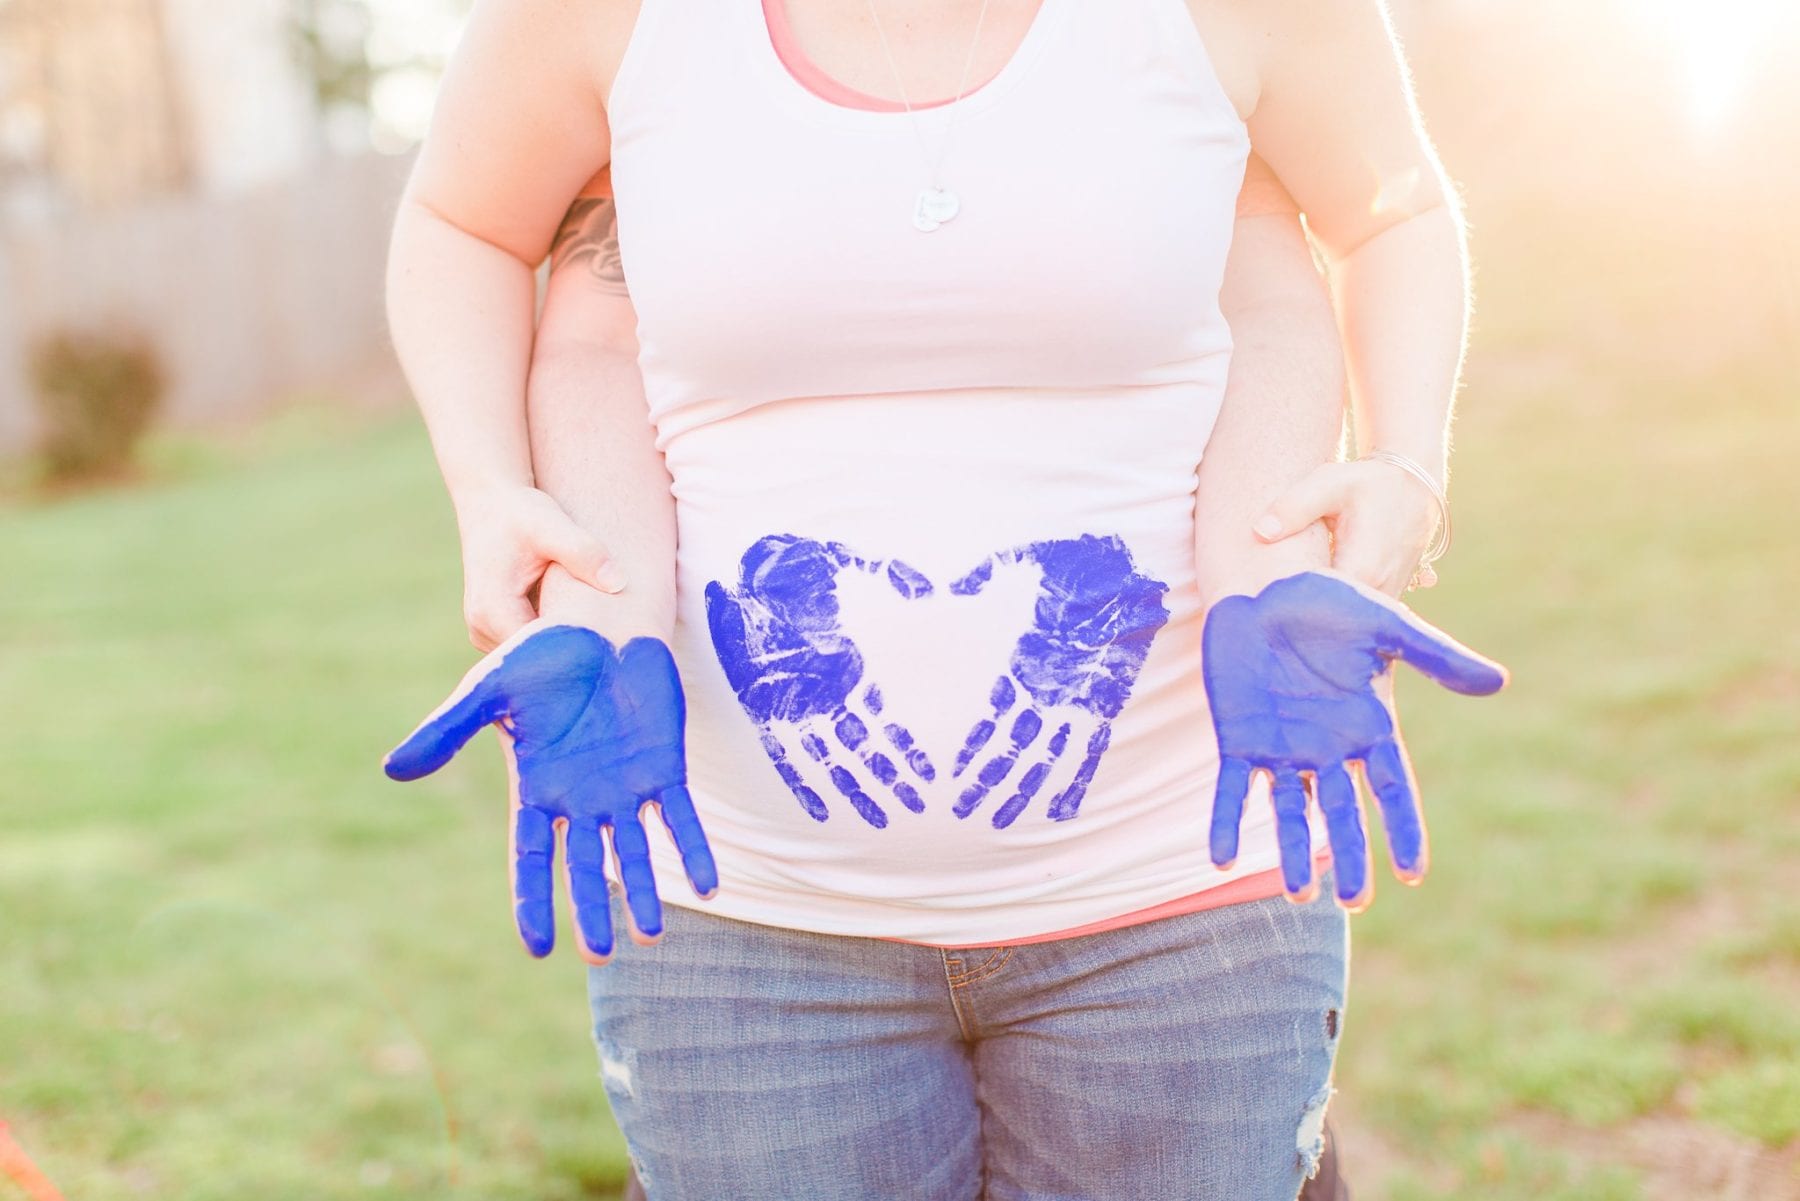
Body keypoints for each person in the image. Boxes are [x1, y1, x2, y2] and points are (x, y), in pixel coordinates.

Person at [383, 1, 1495, 1196]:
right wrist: (491, 489)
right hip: (742, 932)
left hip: (1186, 903)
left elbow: (1391, 211)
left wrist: (1405, 467)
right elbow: (469, 224)